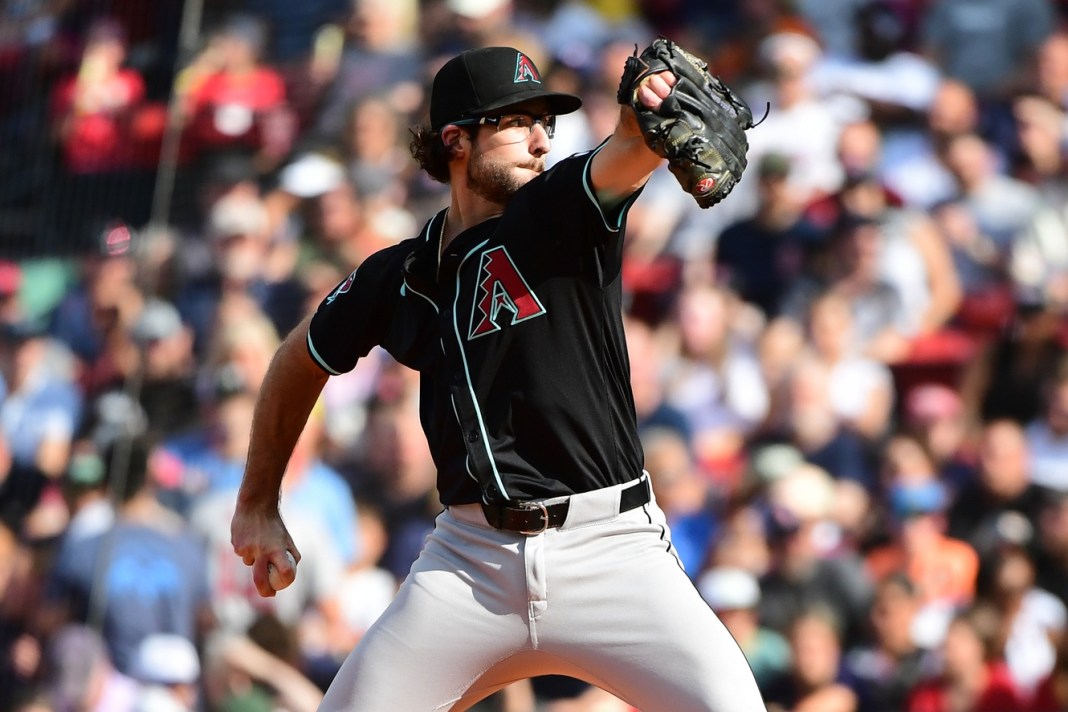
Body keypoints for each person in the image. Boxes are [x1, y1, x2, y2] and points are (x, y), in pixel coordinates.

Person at [231, 44, 765, 710]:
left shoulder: (559, 213)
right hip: (470, 561)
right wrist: (258, 499)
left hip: (612, 549)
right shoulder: (396, 276)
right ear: (456, 139)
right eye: (518, 122)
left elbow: (625, 150)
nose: (541, 140)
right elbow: (298, 358)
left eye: (548, 122)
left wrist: (645, 109)